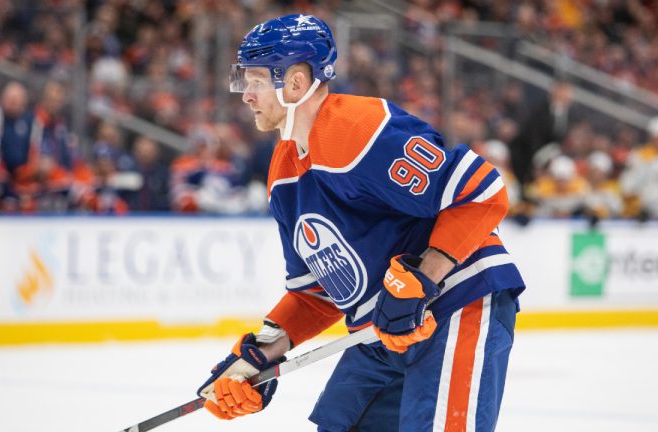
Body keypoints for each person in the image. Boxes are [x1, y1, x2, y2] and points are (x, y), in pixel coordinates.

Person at [196, 14, 525, 432]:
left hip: (455, 302)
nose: (246, 95)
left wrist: (423, 280)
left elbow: (481, 193)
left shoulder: (357, 129)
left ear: (295, 83)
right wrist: (254, 359)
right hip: (384, 328)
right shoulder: (282, 173)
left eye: (257, 81)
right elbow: (318, 292)